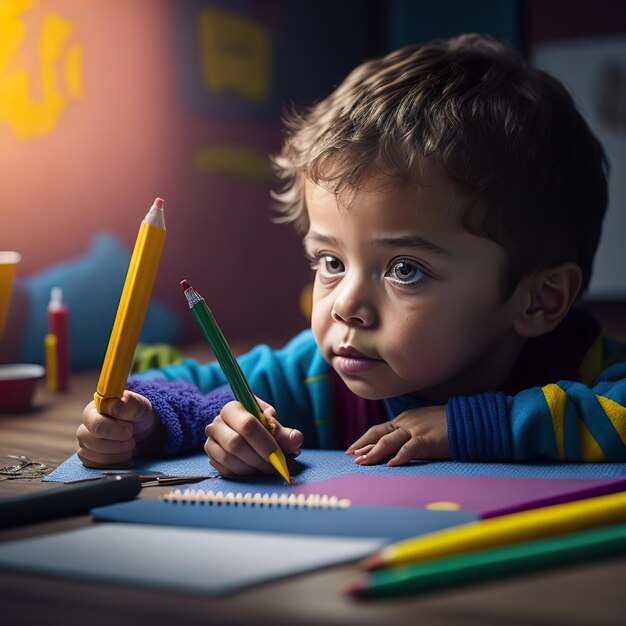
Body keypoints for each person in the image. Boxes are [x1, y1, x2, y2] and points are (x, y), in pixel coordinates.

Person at [76, 33, 626, 476]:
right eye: (331, 263)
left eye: (404, 269)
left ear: (538, 300)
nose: (346, 306)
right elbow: (164, 386)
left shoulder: (583, 364)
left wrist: (472, 426)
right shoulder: (316, 376)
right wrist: (150, 422)